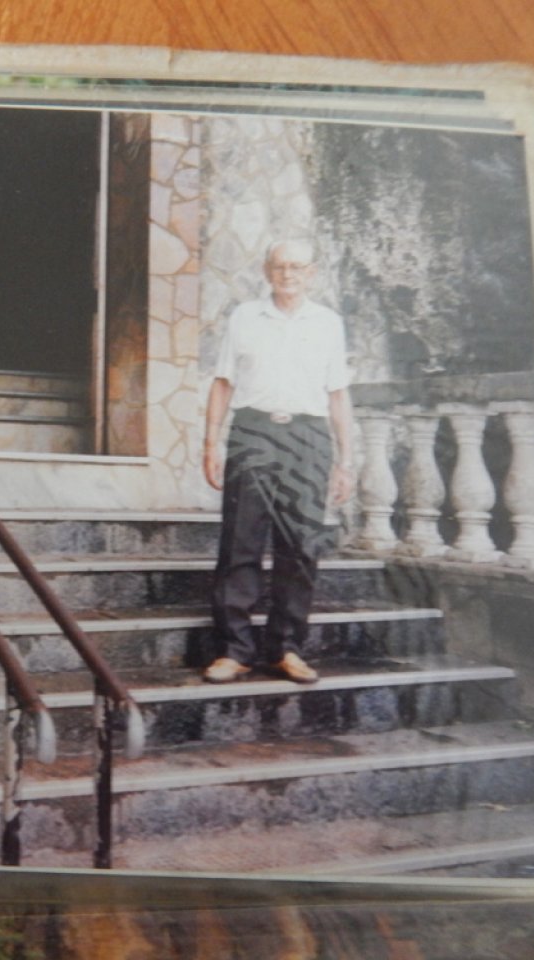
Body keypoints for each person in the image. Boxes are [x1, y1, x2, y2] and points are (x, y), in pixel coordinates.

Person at [201, 239, 356, 684]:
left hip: (308, 435)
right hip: (253, 431)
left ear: (311, 273)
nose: (288, 274)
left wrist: (345, 461)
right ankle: (234, 650)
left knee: (301, 545)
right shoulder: (245, 317)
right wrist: (210, 444)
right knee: (240, 541)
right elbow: (223, 383)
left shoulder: (328, 323)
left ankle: (287, 649)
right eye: (280, 266)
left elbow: (338, 394)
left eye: (297, 267)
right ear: (267, 271)